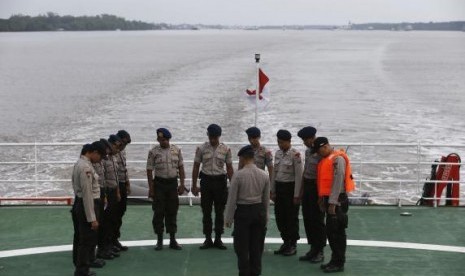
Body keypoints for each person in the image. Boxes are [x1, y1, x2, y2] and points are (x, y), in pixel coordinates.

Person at [225, 145, 270, 276]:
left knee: (242, 249)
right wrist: (265, 216)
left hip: (243, 213)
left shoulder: (238, 176)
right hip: (259, 212)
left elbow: (232, 200)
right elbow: (266, 200)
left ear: (243, 158)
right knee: (257, 248)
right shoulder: (264, 175)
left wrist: (228, 219)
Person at [314, 137, 355, 273]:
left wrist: (332, 202)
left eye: (319, 150)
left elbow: (338, 181)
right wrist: (321, 199)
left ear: (325, 146)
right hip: (329, 200)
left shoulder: (338, 159)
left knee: (337, 233)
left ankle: (339, 262)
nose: (318, 154)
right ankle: (334, 260)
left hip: (337, 201)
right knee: (331, 232)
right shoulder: (326, 159)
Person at [191, 124, 234, 249]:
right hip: (206, 182)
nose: (212, 140)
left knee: (220, 212)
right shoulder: (201, 148)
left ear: (219, 136)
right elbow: (195, 166)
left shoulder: (226, 149)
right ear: (208, 136)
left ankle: (218, 239)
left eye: (215, 137)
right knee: (206, 212)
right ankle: (208, 239)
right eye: (210, 137)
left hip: (220, 182)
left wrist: (233, 186)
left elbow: (230, 168)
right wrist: (194, 185)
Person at [147, 128, 186, 250]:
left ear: (168, 139)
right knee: (158, 212)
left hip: (172, 184)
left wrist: (182, 184)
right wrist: (151, 188)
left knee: (172, 211)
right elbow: (149, 170)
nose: (162, 142)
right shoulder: (153, 152)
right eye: (160, 140)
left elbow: (181, 168)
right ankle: (159, 240)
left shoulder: (176, 150)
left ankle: (173, 240)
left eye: (164, 140)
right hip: (159, 184)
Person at [71, 141, 106, 276]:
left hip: (81, 203)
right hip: (88, 205)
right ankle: (81, 270)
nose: (101, 159)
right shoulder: (85, 167)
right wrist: (92, 218)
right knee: (86, 240)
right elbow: (87, 194)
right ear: (94, 152)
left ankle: (81, 268)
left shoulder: (80, 164)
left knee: (82, 238)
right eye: (101, 156)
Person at [271, 129, 303, 256]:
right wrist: (272, 191)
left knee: (291, 218)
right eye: (278, 142)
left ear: (289, 142)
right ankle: (285, 242)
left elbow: (299, 176)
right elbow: (274, 173)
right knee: (280, 217)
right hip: (279, 189)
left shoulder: (295, 155)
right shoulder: (278, 154)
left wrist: (297, 195)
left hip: (290, 189)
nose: (280, 145)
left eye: (282, 142)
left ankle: (292, 244)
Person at [297, 126, 326, 263]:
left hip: (317, 188)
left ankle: (320, 251)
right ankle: (313, 248)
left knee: (318, 220)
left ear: (312, 138)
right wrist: (301, 190)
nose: (304, 142)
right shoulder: (308, 152)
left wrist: (322, 195)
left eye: (305, 139)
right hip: (308, 186)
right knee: (308, 218)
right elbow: (306, 171)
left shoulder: (322, 153)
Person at [99, 135, 122, 259]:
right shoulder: (103, 160)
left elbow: (116, 177)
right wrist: (106, 196)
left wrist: (118, 191)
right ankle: (103, 248)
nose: (117, 149)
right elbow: (102, 179)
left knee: (112, 220)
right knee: (105, 222)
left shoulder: (113, 158)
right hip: (107, 193)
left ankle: (109, 245)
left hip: (113, 192)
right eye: (116, 146)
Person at [114, 130, 131, 252]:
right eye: (123, 143)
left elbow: (124, 169)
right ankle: (108, 242)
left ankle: (115, 239)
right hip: (114, 186)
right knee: (111, 215)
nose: (124, 146)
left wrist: (127, 183)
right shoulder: (111, 153)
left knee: (120, 212)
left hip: (122, 184)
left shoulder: (122, 152)